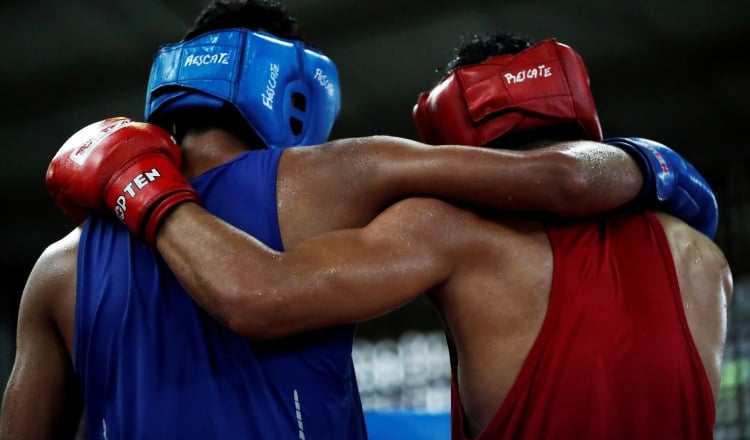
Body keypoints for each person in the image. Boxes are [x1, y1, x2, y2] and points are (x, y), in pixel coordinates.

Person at [0, 0, 718, 437]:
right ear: (291, 90)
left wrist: (136, 187)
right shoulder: (334, 174)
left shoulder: (56, 271)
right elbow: (558, 177)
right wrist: (650, 163)